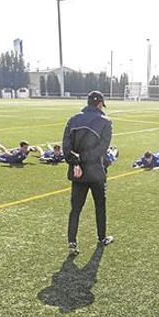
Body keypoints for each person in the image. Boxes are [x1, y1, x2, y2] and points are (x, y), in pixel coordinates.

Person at [63, 91, 114, 255]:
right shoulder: (105, 122)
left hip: (78, 173)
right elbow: (101, 149)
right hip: (96, 173)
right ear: (100, 104)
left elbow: (66, 148)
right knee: (100, 206)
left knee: (75, 209)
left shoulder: (72, 119)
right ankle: (102, 237)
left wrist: (76, 161)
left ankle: (72, 243)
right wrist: (83, 159)